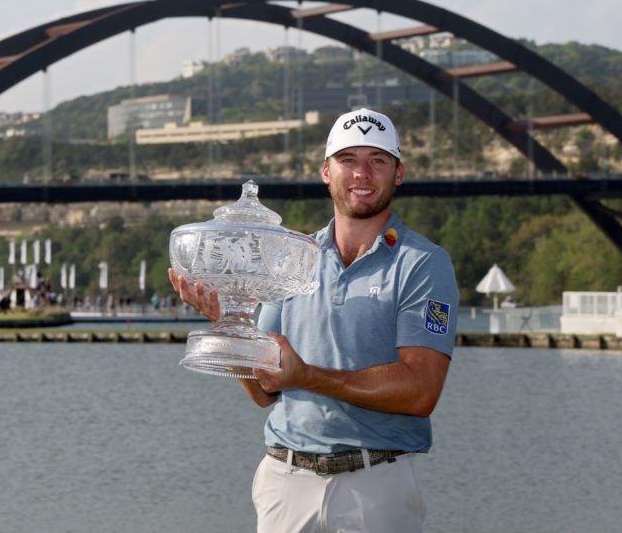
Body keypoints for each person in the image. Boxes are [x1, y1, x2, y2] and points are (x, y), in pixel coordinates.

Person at [169, 108, 459, 532]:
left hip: (375, 486)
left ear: (398, 173)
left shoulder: (423, 263)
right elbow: (265, 390)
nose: (362, 173)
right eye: (348, 160)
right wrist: (231, 325)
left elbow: (420, 392)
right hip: (285, 481)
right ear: (326, 171)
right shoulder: (291, 257)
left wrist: (306, 376)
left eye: (377, 161)